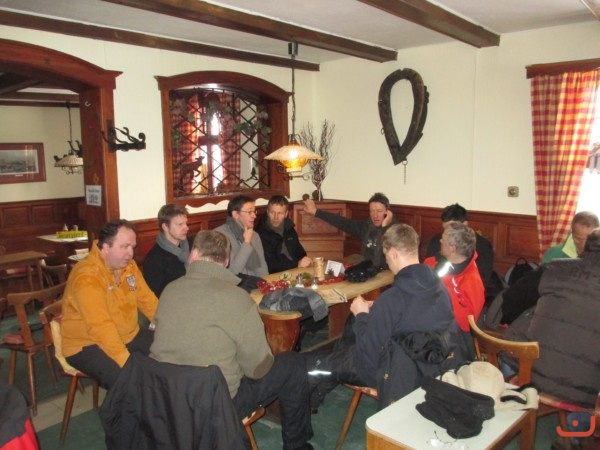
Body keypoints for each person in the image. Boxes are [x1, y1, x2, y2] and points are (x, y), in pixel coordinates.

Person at [150, 230, 314, 450]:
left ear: (193, 255)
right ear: (226, 261)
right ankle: (297, 445)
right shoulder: (238, 298)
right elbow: (258, 369)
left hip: (165, 399)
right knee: (293, 363)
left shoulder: (169, 290)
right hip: (217, 406)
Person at [305, 224, 458, 408]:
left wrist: (362, 315)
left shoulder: (392, 299)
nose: (386, 261)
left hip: (389, 370)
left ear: (393, 253)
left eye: (386, 255)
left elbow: (368, 356)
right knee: (346, 340)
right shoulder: (439, 287)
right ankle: (329, 376)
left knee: (315, 364)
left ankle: (311, 400)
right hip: (428, 366)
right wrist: (377, 310)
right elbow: (411, 315)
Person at [503, 228, 600, 444]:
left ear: (583, 247)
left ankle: (509, 412)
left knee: (509, 353)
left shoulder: (555, 267)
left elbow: (513, 297)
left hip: (529, 371)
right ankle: (572, 436)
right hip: (582, 390)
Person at [61, 219, 158, 389]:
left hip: (128, 335)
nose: (131, 253)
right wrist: (126, 361)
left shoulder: (129, 267)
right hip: (87, 344)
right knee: (129, 381)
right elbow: (101, 327)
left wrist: (169, 330)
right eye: (124, 246)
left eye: (132, 247)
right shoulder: (87, 277)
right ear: (105, 247)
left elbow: (148, 301)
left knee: (168, 354)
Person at [303, 192, 396, 267]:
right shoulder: (366, 227)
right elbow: (342, 222)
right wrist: (316, 212)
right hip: (366, 269)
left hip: (385, 272)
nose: (375, 215)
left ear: (387, 212)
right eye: (372, 211)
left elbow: (391, 258)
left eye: (379, 211)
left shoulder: (396, 231)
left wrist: (384, 227)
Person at [424, 222, 485, 332]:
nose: (440, 241)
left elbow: (467, 324)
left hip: (450, 334)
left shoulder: (472, 281)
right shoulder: (433, 262)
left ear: (452, 248)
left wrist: (442, 290)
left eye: (443, 239)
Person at [425, 203, 494, 289]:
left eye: (452, 228)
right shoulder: (437, 241)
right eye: (445, 229)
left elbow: (482, 280)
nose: (448, 232)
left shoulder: (483, 246)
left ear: (465, 224)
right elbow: (428, 272)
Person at [143, 203, 192, 297]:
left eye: (186, 223)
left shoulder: (192, 244)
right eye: (180, 224)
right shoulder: (154, 259)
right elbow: (158, 295)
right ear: (165, 227)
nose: (186, 228)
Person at [255, 195, 312, 274]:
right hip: (275, 275)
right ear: (267, 212)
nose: (276, 217)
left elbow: (300, 252)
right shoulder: (260, 233)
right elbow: (270, 264)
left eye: (280, 213)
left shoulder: (289, 228)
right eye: (272, 212)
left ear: (286, 214)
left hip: (296, 271)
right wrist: (296, 264)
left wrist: (305, 260)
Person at [215, 195, 269, 277]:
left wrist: (266, 282)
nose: (254, 216)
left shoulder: (254, 235)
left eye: (254, 212)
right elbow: (233, 271)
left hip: (255, 282)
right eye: (249, 212)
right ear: (236, 214)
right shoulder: (220, 236)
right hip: (234, 283)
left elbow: (261, 267)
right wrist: (246, 243)